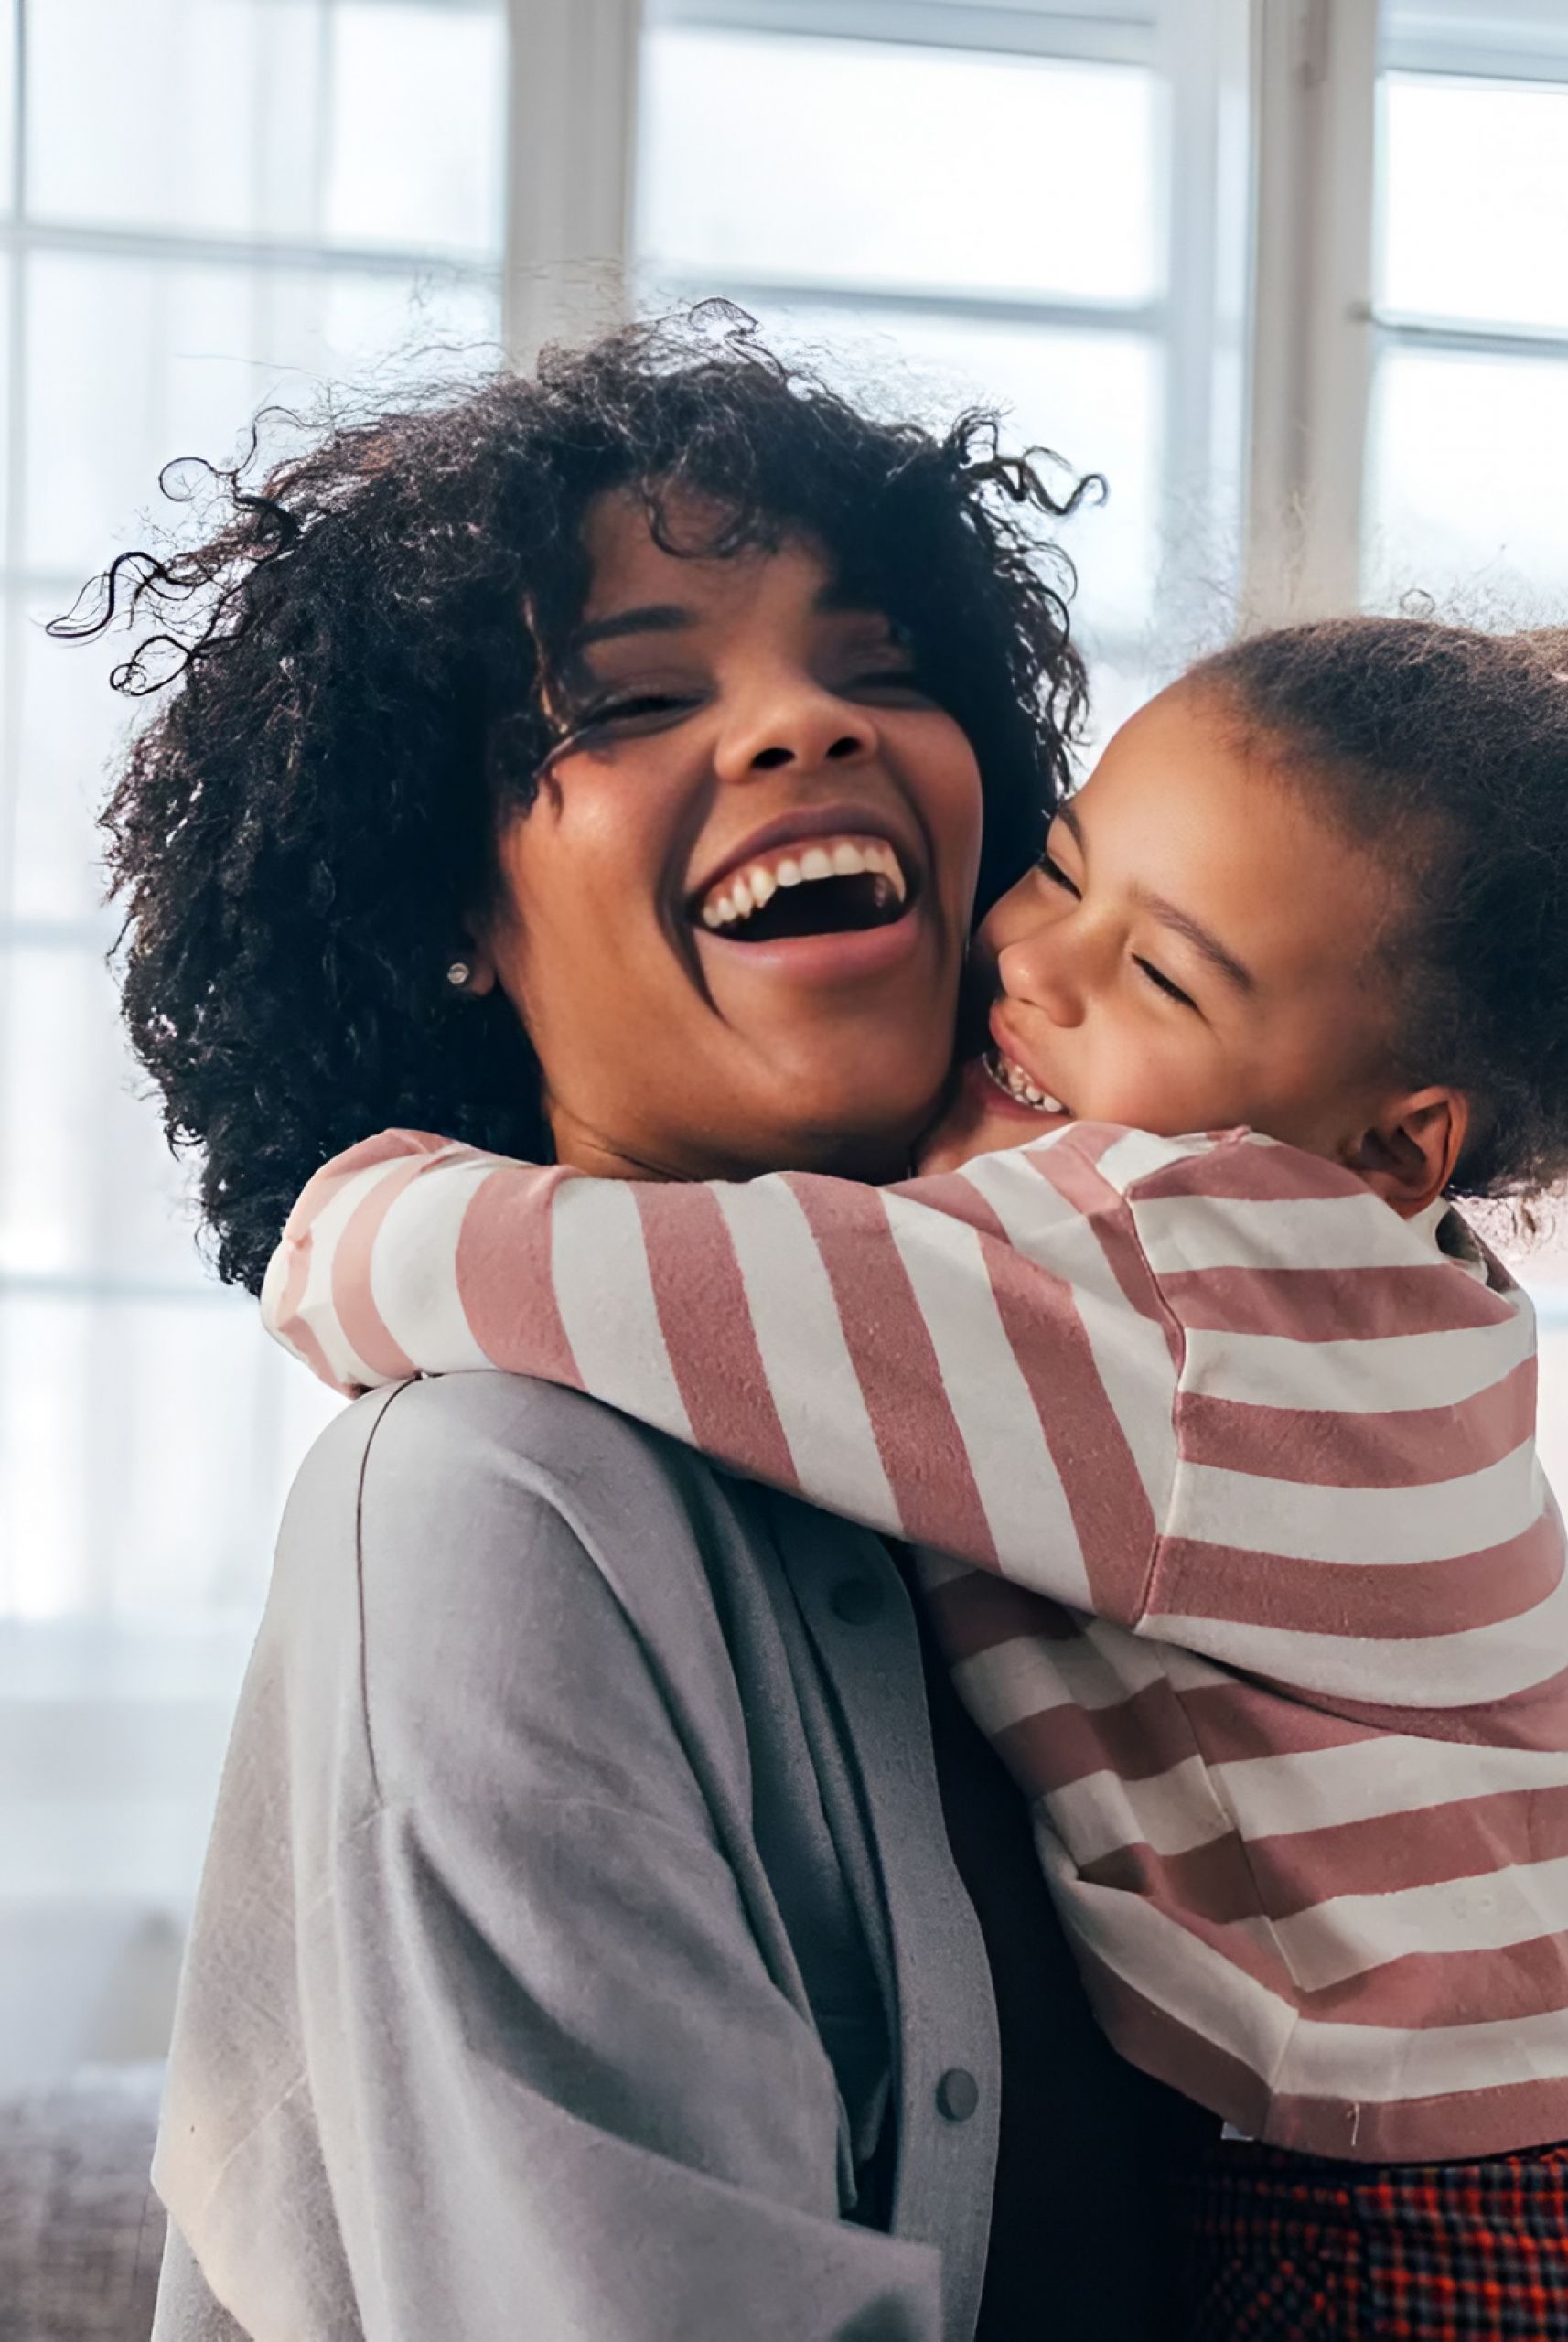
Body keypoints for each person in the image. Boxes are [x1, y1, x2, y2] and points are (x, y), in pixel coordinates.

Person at [258, 598, 1568, 2337]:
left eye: (1162, 977)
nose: (1033, 965)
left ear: (1388, 1144)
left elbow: (554, 1277)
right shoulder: (1365, 1294)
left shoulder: (1181, 1287)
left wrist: (345, 1206)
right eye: (1057, 867)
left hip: (1412, 2246)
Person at [81, 311, 1221, 2342]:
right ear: (445, 904)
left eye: (878, 666)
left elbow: (1567, 2091)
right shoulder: (486, 1507)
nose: (807, 727)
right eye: (623, 702)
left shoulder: (1124, 1400)